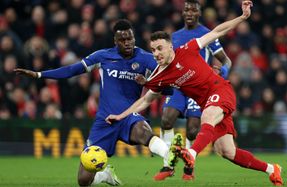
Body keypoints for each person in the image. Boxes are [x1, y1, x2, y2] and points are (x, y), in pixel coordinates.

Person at [106, 1, 283, 186]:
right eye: (152, 50)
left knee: (206, 116)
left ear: (169, 47)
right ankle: (272, 169)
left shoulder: (188, 49)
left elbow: (216, 32)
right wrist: (121, 116)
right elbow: (145, 100)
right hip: (207, 102)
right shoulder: (161, 75)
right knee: (227, 151)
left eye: (159, 49)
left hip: (220, 90)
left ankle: (190, 155)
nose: (156, 54)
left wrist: (243, 17)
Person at [14, 19, 180, 186]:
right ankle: (105, 176)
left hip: (129, 115)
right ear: (115, 41)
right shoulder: (103, 56)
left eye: (130, 38)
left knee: (144, 133)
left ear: (134, 38)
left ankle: (170, 155)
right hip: (104, 121)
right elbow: (72, 70)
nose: (127, 43)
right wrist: (39, 75)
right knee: (83, 180)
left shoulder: (147, 59)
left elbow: (168, 90)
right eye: (122, 40)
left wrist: (147, 83)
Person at [155, 0, 232, 181]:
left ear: (199, 13)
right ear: (182, 13)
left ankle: (189, 167)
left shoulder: (206, 34)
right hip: (178, 86)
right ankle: (168, 163)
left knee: (192, 130)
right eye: (186, 10)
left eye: (193, 10)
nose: (189, 13)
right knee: (166, 120)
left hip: (198, 89)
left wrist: (224, 70)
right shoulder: (173, 37)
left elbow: (226, 60)